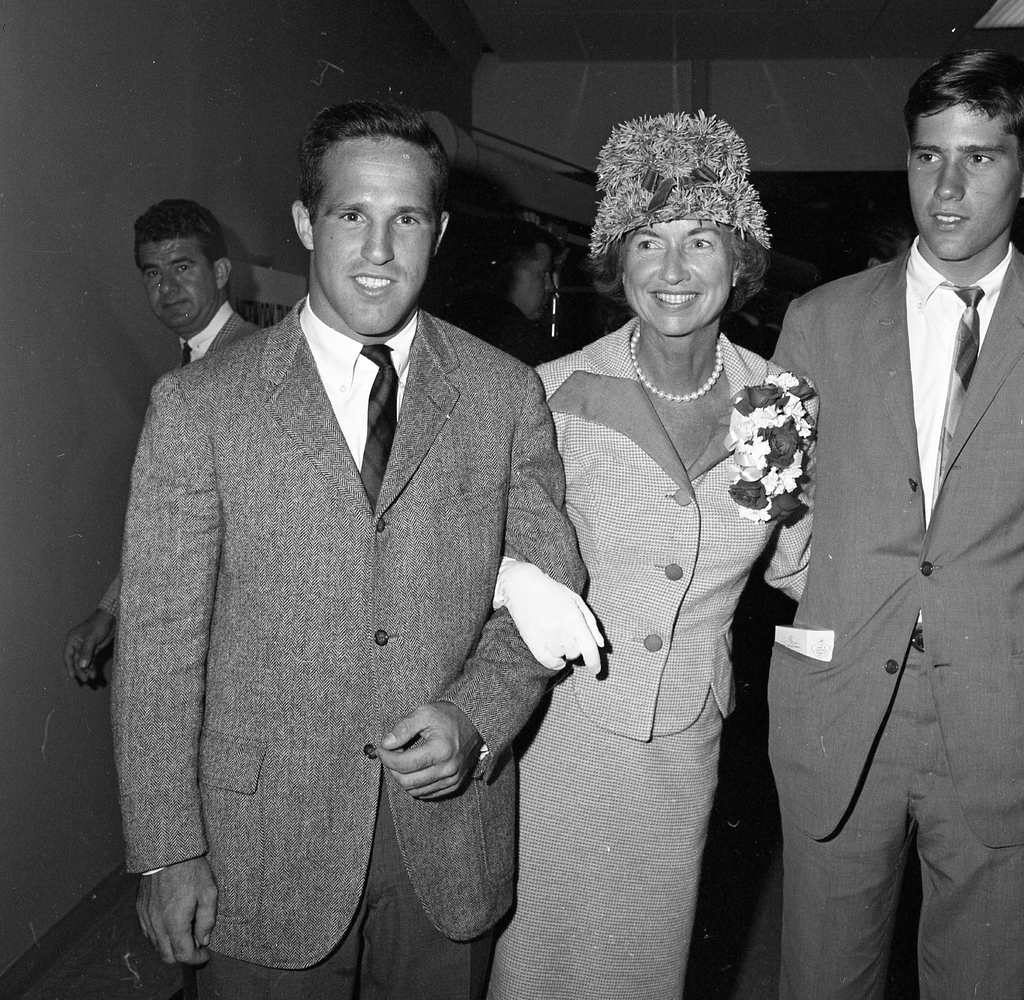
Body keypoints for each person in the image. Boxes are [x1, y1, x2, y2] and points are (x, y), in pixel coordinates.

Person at [111, 100, 585, 1000]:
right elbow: (158, 644)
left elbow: (549, 582)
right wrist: (166, 849)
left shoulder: (502, 394)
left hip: (448, 838)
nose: (379, 249)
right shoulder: (200, 407)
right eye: (351, 215)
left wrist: (477, 714)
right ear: (304, 223)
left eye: (406, 219)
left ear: (438, 233)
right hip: (261, 849)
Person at [768, 50, 1024, 999]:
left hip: (1006, 721)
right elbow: (772, 509)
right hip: (840, 714)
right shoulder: (820, 320)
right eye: (927, 157)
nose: (945, 188)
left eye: (979, 158)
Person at [487, 111, 817, 1000]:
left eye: (700, 240)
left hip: (684, 737)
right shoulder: (548, 395)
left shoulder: (777, 402)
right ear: (617, 261)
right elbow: (483, 558)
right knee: (542, 966)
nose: (673, 270)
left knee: (646, 965)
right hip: (561, 726)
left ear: (738, 262)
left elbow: (800, 563)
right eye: (648, 241)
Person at [62, 199, 259, 684]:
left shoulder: (254, 365)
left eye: (182, 267)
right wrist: (110, 611)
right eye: (153, 273)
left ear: (220, 272)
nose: (166, 288)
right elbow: (174, 523)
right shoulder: (186, 373)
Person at [440, 219, 563, 365]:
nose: (550, 286)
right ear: (509, 270)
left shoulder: (451, 319)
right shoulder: (522, 341)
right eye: (543, 273)